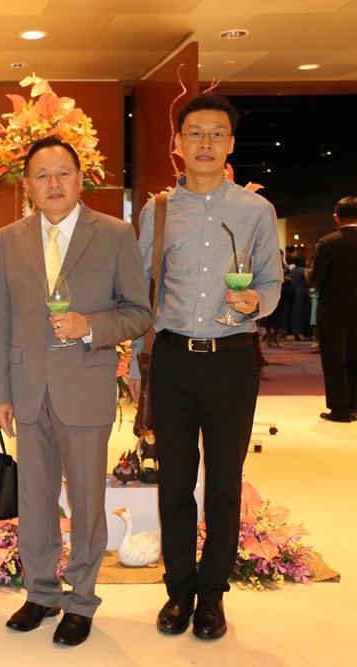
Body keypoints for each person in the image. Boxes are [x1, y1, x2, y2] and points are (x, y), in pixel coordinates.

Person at [0, 136, 152, 647]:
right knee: (35, 498)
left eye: (63, 173)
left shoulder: (114, 233)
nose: (53, 183)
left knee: (86, 501)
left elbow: (139, 312)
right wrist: (1, 392)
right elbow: (3, 319)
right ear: (28, 185)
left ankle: (81, 599)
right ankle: (40, 592)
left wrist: (91, 326)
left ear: (81, 180)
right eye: (42, 175)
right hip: (28, 388)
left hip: (84, 385)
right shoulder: (10, 237)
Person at [138, 93, 281, 640]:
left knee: (224, 483)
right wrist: (136, 361)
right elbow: (143, 289)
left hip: (232, 361)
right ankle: (179, 592)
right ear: (177, 143)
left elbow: (270, 281)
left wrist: (255, 301)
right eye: (195, 133)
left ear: (231, 144)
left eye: (216, 133)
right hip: (173, 358)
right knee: (174, 481)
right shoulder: (157, 211)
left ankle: (213, 595)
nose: (205, 143)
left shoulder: (255, 211)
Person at [308, 196, 357, 422]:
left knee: (334, 359)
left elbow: (316, 280)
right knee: (355, 358)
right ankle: (355, 406)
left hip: (333, 310)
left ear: (337, 217)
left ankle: (340, 409)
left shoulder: (327, 243)